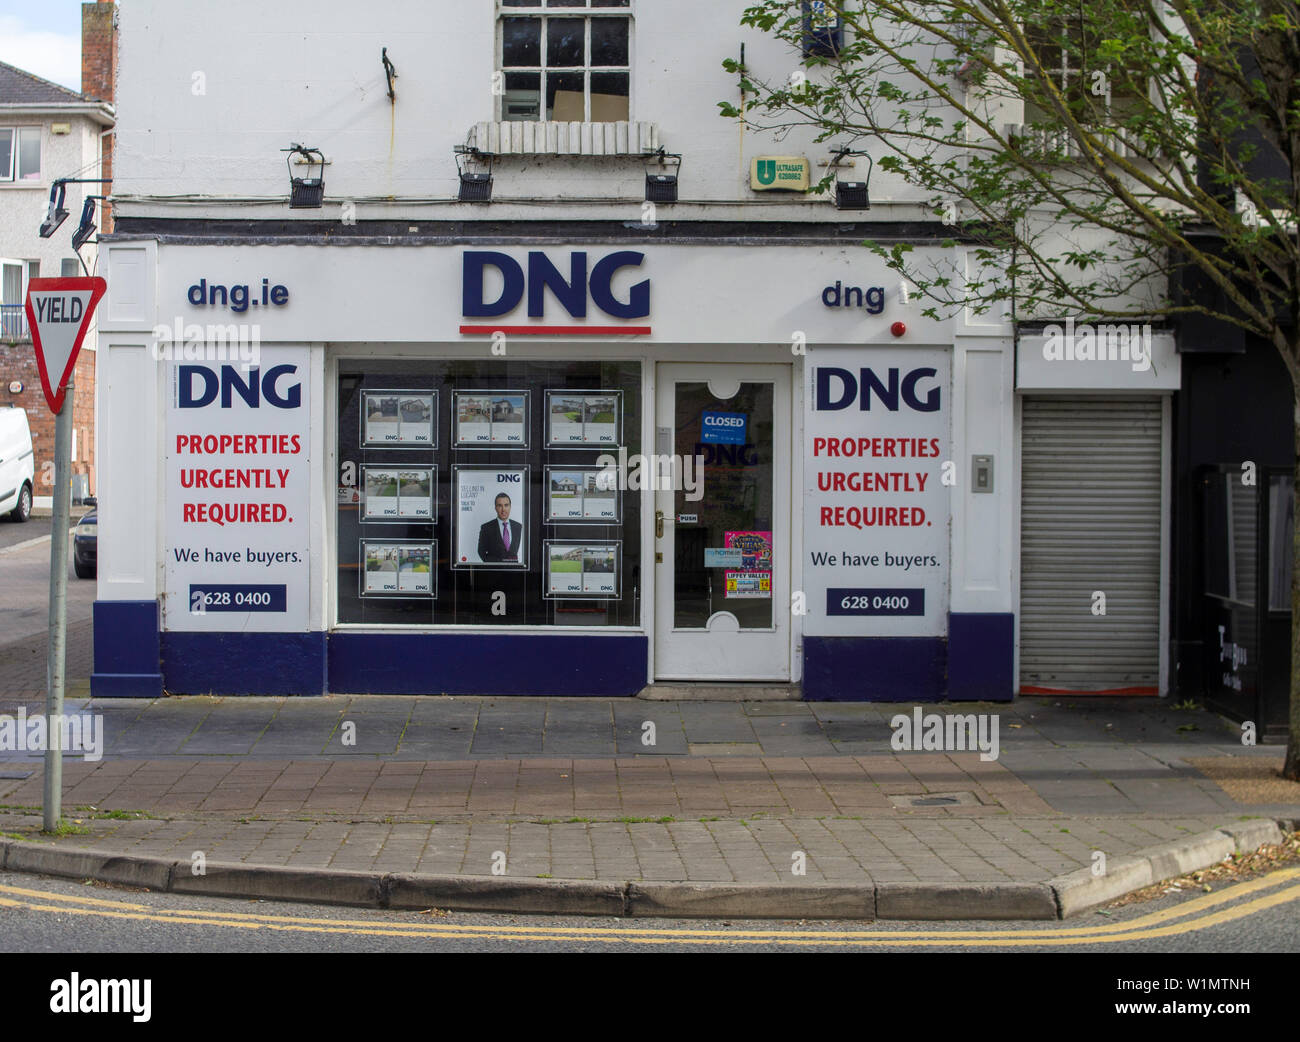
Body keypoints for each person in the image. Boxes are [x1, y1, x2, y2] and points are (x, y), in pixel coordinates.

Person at [477, 491, 523, 562]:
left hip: (514, 570)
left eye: (506, 505)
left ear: (510, 507)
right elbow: (481, 552)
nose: (503, 509)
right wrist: (493, 566)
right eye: (499, 505)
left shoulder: (518, 526)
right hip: (494, 570)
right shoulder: (486, 528)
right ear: (495, 507)